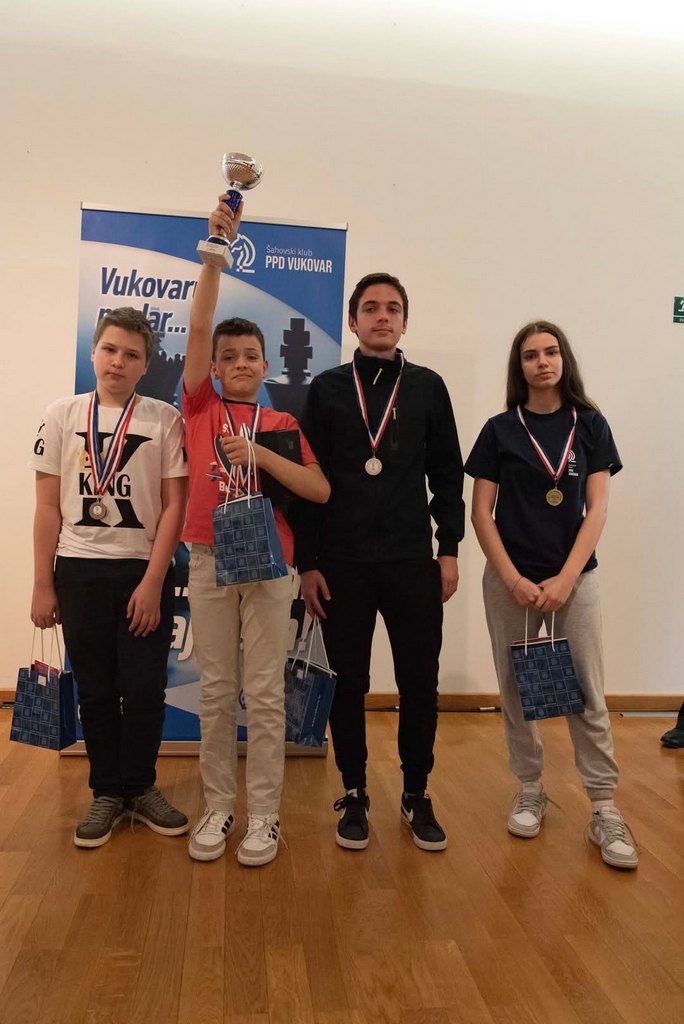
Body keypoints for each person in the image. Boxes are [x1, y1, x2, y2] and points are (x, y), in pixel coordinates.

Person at [183, 195, 330, 867]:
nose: (240, 363)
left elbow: (319, 489)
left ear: (267, 366)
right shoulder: (199, 407)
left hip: (271, 565)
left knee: (265, 694)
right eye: (229, 356)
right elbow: (199, 324)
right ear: (215, 369)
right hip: (210, 558)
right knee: (217, 692)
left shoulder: (282, 424)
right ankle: (219, 806)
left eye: (251, 356)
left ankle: (265, 816)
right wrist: (216, 253)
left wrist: (262, 457)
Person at [296, 272, 464, 852]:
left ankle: (416, 791)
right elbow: (307, 482)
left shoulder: (427, 387)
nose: (382, 316)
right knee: (348, 683)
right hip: (341, 564)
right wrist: (307, 562)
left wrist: (448, 549)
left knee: (420, 680)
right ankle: (354, 791)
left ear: (405, 322)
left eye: (393, 308)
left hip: (412, 560)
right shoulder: (326, 389)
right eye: (370, 308)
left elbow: (447, 474)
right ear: (353, 321)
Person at [466, 320, 638, 869]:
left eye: (551, 352)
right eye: (531, 355)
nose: (542, 362)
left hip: (575, 580)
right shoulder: (499, 429)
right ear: (518, 367)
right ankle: (530, 788)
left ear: (564, 360)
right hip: (510, 582)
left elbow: (598, 509)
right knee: (517, 688)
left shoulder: (591, 425)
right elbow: (481, 513)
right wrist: (513, 578)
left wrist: (566, 578)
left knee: (586, 691)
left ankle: (604, 806)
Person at [30, 307, 189, 848]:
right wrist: (43, 583)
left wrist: (153, 581)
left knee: (144, 687)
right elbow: (46, 507)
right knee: (95, 688)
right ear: (94, 352)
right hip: (78, 571)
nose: (118, 361)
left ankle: (139, 786)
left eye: (132, 355)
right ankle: (105, 791)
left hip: (142, 571)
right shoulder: (61, 415)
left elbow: (174, 506)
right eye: (110, 349)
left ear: (146, 365)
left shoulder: (165, 420)